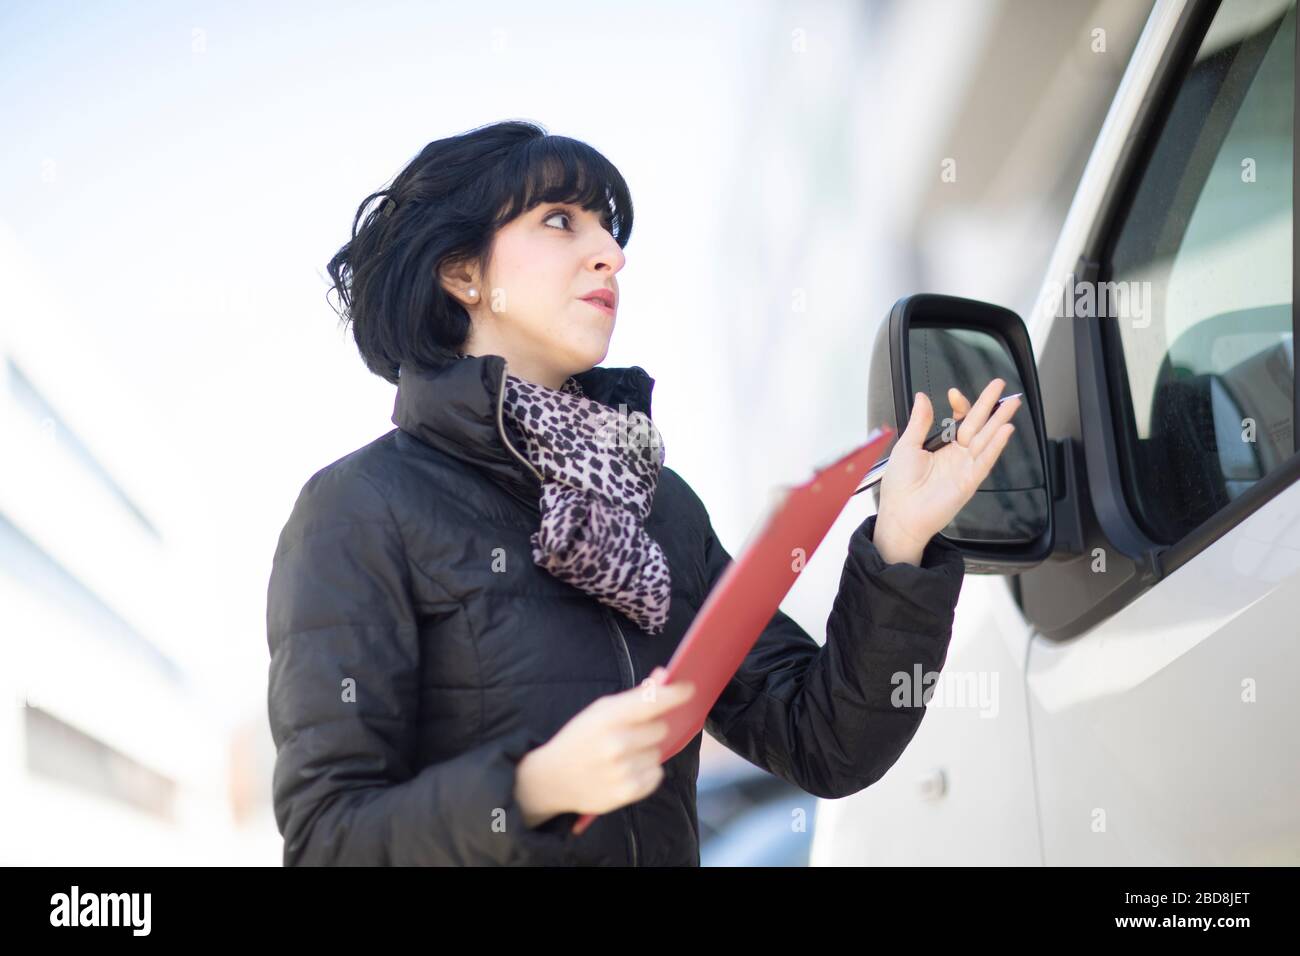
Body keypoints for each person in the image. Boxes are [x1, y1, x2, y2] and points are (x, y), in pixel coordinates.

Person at [265, 119, 1021, 866]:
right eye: (561, 221)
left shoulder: (659, 504)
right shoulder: (358, 509)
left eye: (609, 229)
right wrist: (530, 789)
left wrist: (900, 542)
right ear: (463, 274)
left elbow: (824, 745)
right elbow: (330, 837)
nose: (612, 256)